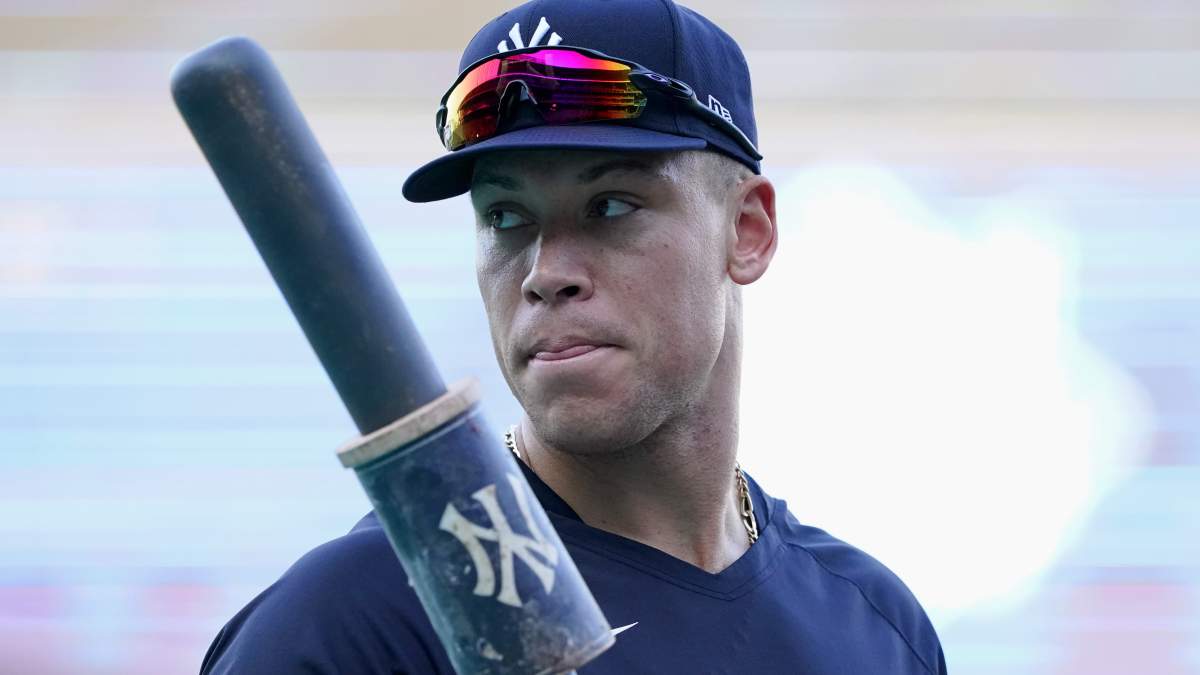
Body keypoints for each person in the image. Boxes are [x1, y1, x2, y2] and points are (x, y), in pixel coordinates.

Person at [200, 0, 948, 672]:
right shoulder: (356, 629)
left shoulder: (876, 627)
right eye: (505, 217)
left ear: (747, 231)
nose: (546, 272)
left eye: (611, 205)